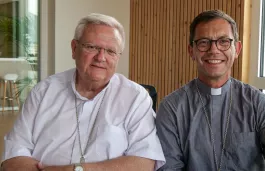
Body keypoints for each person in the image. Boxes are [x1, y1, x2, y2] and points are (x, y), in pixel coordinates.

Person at [2, 13, 165, 171]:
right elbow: (14, 153)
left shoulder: (135, 97)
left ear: (118, 57)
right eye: (92, 47)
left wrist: (78, 169)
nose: (101, 57)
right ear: (74, 48)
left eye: (110, 51)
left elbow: (144, 162)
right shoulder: (43, 91)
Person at [156, 10, 265, 171]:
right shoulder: (172, 108)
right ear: (191, 51)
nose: (214, 50)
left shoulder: (258, 102)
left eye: (224, 41)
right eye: (204, 42)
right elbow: (169, 168)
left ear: (237, 49)